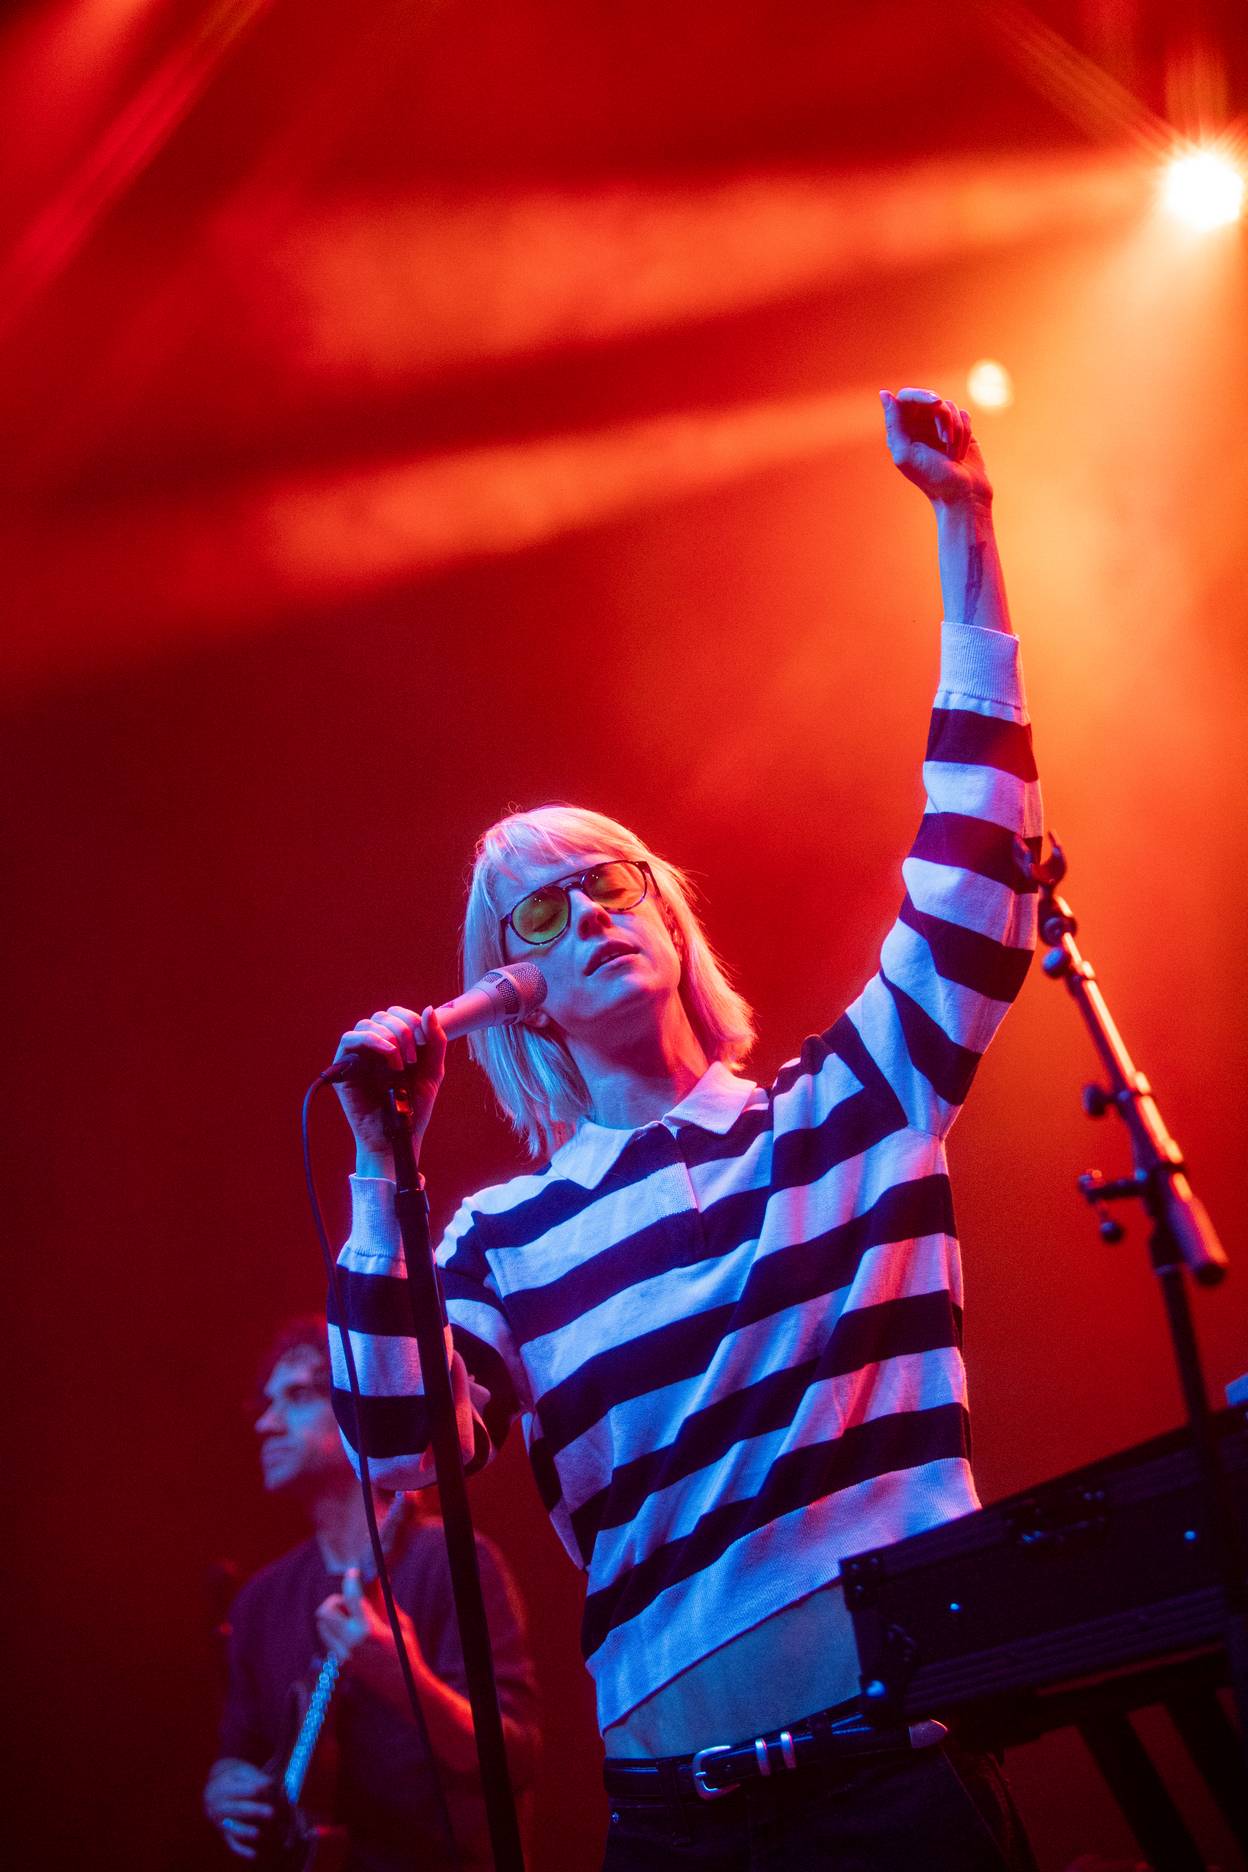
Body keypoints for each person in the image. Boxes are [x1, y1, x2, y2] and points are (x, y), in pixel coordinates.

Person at [327, 388, 1043, 1869]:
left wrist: (967, 531)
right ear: (511, 993)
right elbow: (401, 1440)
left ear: (664, 911)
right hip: (679, 1827)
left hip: (897, 1786)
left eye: (611, 881)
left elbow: (978, 871)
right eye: (539, 913)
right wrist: (375, 1172)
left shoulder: (851, 1107)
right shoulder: (502, 1239)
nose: (588, 912)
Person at [203, 1319, 540, 1870]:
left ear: (356, 1413)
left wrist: (404, 1678)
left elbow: (515, 1757)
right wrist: (224, 1786)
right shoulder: (260, 1601)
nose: (265, 1423)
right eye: (266, 1403)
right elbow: (239, 1751)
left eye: (298, 1397)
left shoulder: (453, 1562)